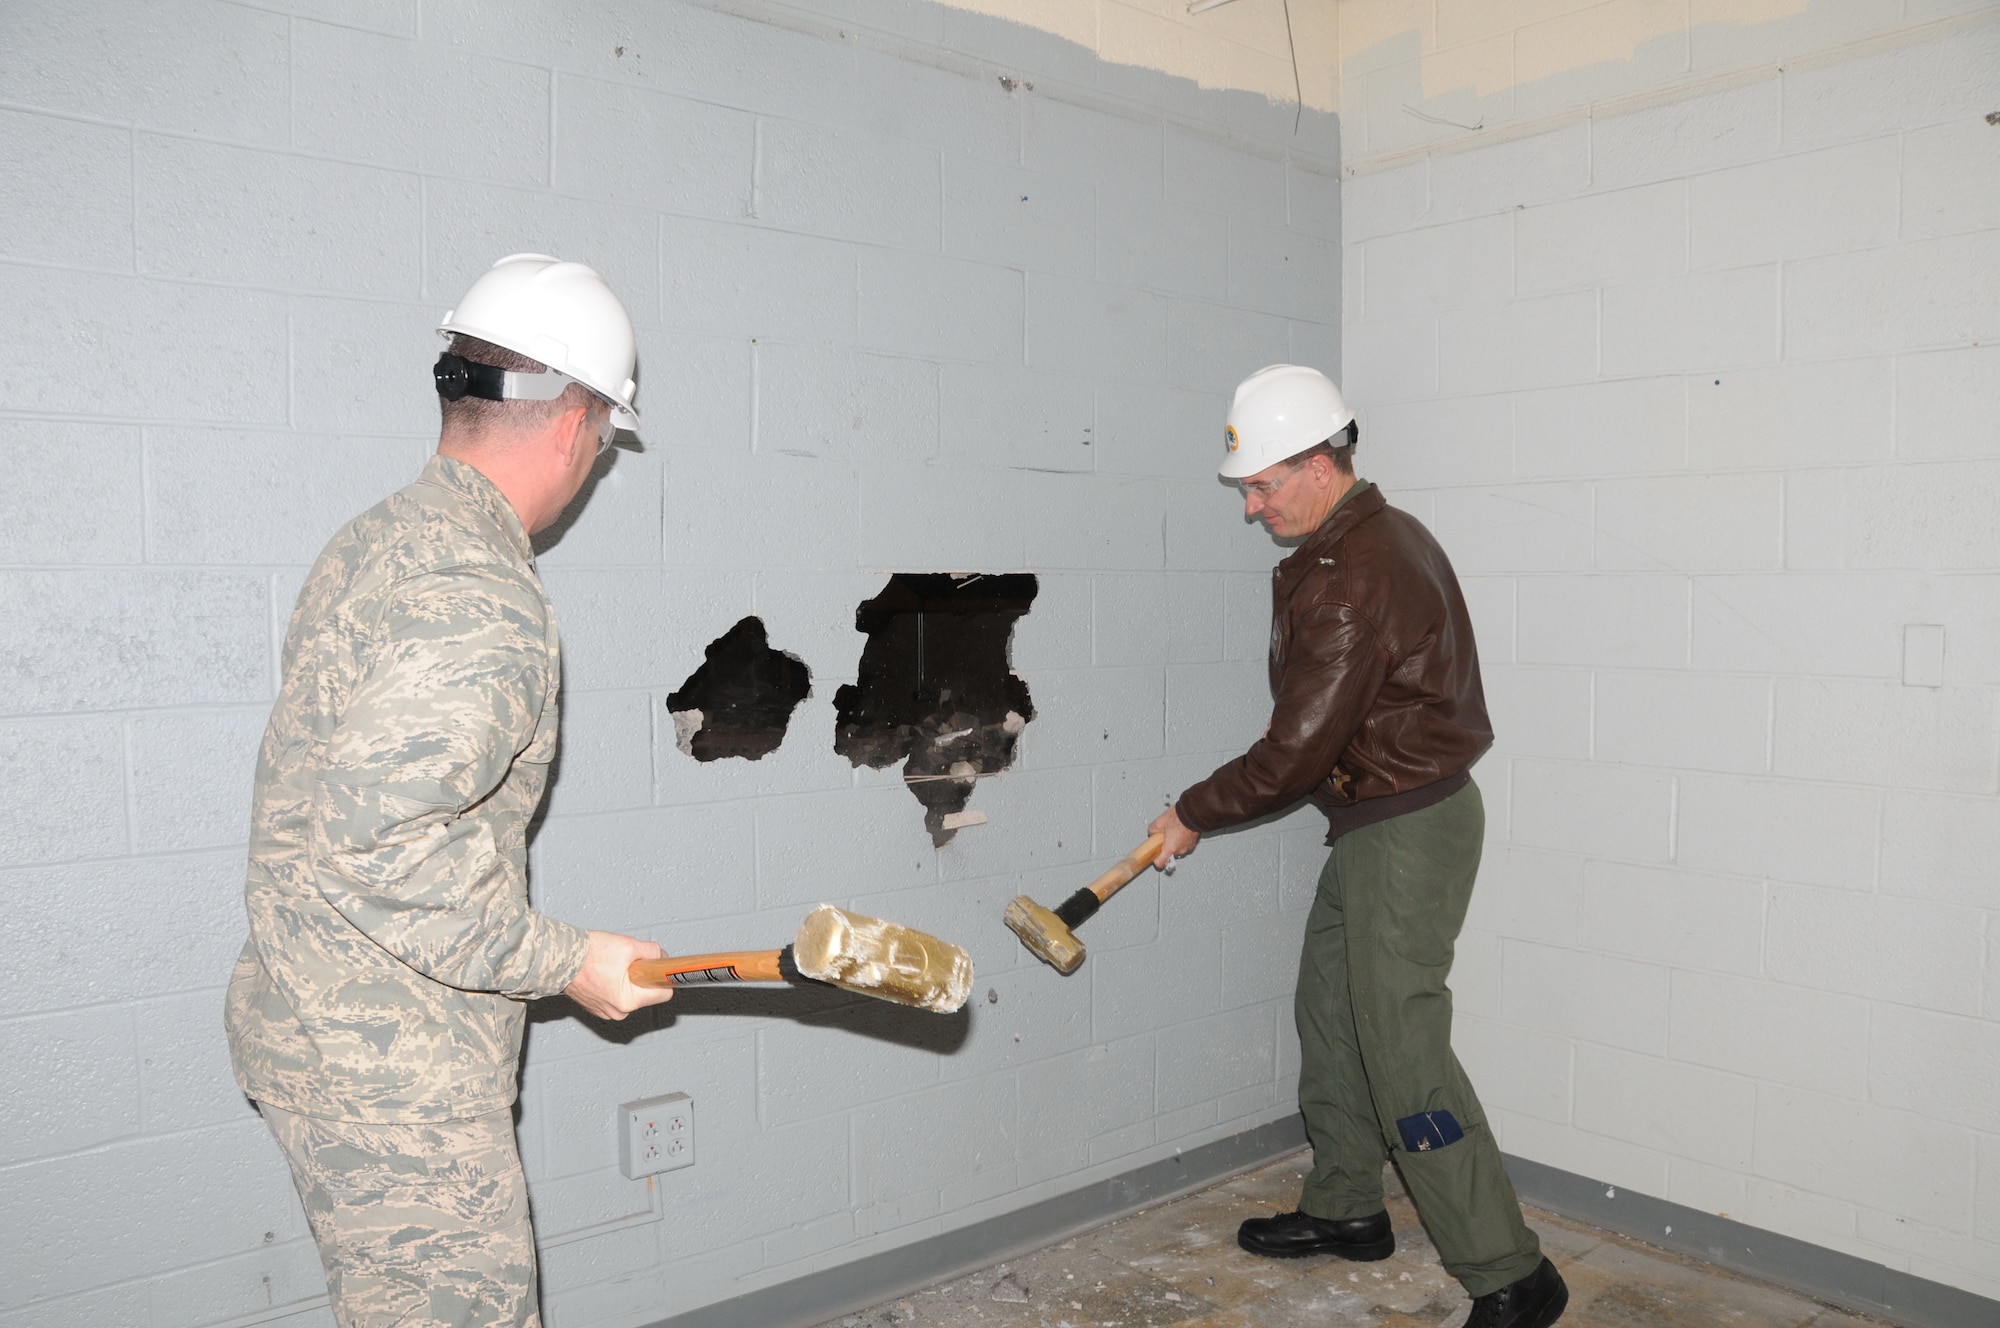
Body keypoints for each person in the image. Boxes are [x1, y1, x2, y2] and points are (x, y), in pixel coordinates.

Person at [225, 254, 676, 1328]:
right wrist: (568, 960)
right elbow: (375, 845)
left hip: (326, 1028)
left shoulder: (380, 539)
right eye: (603, 438)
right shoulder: (483, 593)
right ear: (574, 423)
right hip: (396, 1079)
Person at [1145, 365, 1568, 1328]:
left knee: (1402, 1046)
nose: (1251, 507)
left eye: (1262, 485)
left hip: (1404, 832)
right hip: (1380, 821)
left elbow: (1294, 753)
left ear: (1320, 462)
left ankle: (1511, 1273)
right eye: (1246, 487)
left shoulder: (1351, 578)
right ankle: (1347, 1207)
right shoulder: (1378, 533)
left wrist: (1193, 813)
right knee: (1330, 1011)